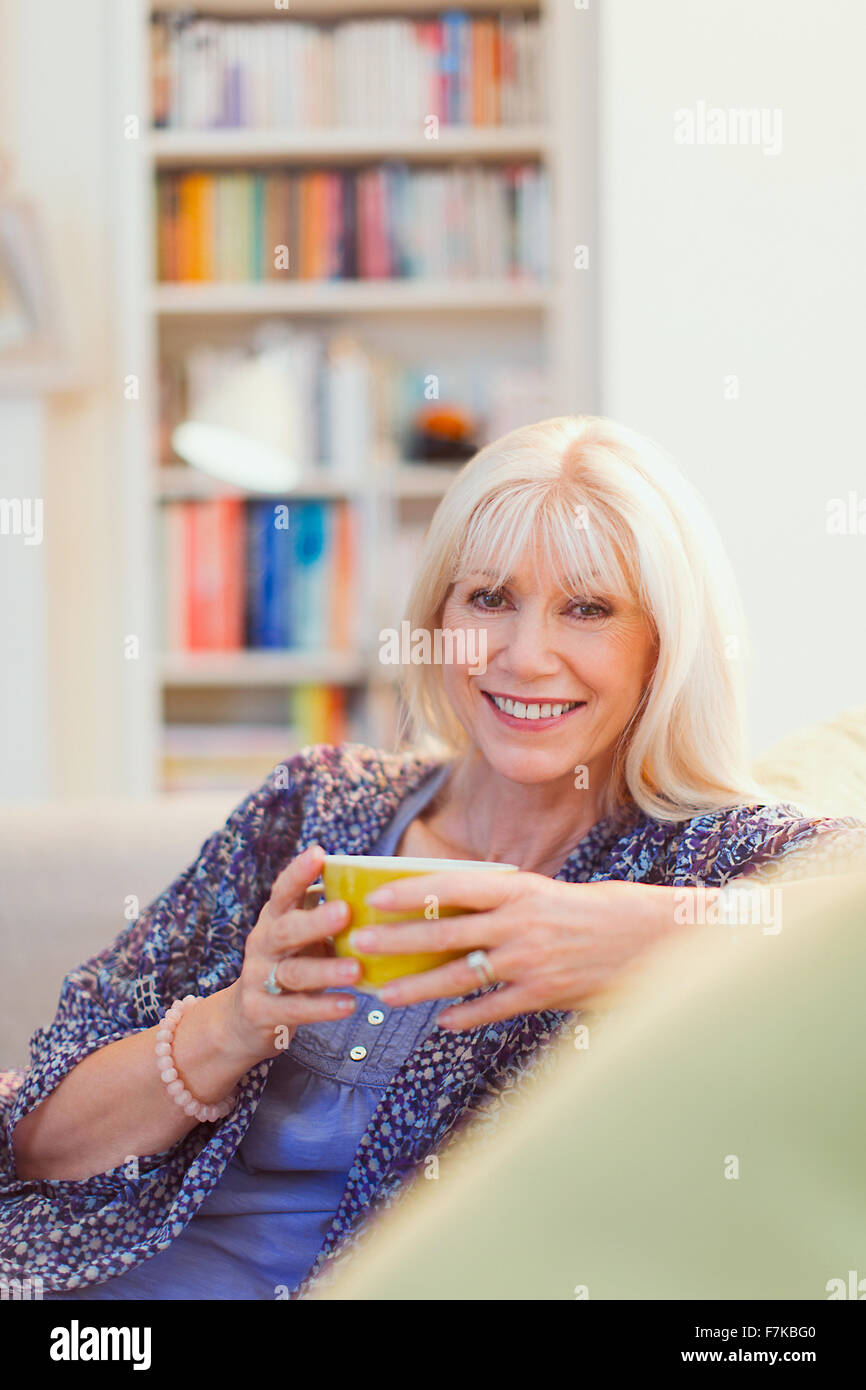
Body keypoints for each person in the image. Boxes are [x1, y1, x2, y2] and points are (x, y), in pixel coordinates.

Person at [1, 414, 863, 1300]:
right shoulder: (317, 803)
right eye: (488, 598)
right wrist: (233, 1024)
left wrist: (644, 933)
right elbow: (36, 1143)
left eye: (590, 608)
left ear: (663, 647)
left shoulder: (707, 853)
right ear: (439, 617)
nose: (524, 657)